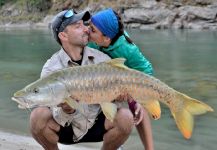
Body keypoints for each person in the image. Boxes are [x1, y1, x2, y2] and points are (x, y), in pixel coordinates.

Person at [29, 9, 134, 150]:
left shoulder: (103, 60)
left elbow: (113, 104)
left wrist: (120, 97)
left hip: (97, 124)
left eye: (84, 24)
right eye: (78, 26)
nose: (86, 29)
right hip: (66, 127)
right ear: (63, 35)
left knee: (126, 117)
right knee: (37, 116)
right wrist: (68, 110)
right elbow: (54, 112)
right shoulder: (51, 68)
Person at [88, 8, 155, 150]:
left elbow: (147, 71)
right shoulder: (92, 40)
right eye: (89, 26)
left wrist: (136, 97)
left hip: (125, 79)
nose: (88, 31)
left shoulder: (128, 49)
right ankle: (117, 142)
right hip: (103, 80)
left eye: (92, 30)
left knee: (139, 106)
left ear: (106, 38)